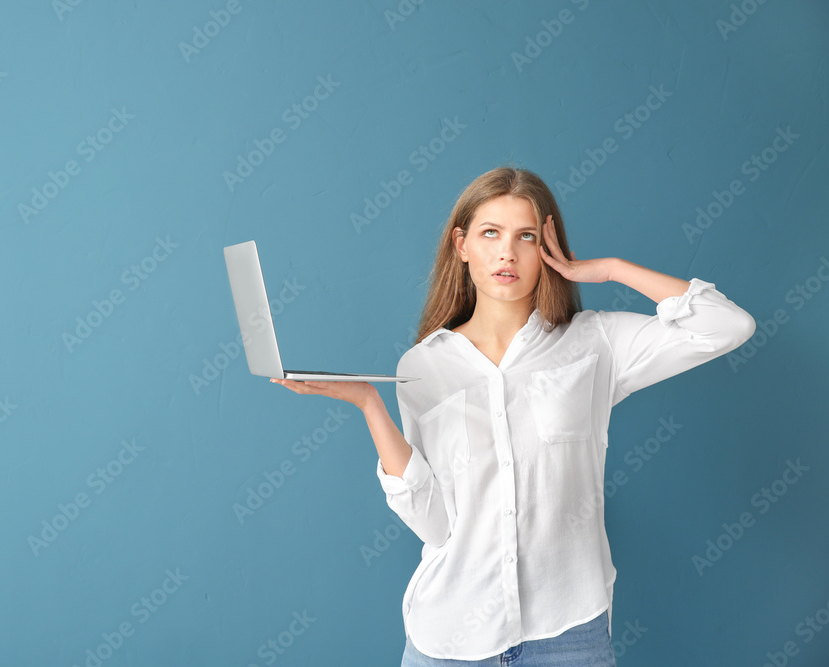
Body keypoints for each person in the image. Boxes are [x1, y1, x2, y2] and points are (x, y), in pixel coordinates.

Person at [270, 166, 756, 665]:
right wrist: (369, 404)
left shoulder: (595, 342)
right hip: (451, 636)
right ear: (461, 244)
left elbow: (727, 326)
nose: (507, 253)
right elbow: (435, 524)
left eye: (526, 236)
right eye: (490, 233)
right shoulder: (422, 366)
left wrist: (610, 268)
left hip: (569, 636)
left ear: (547, 247)